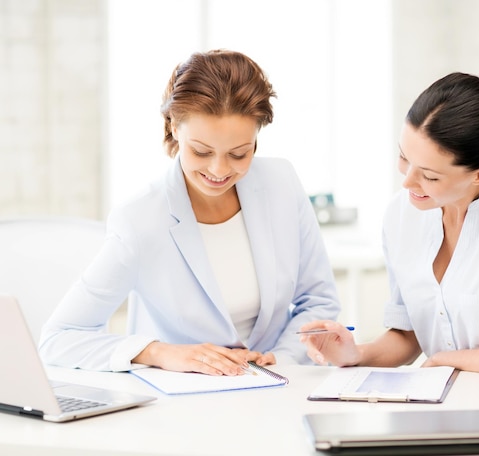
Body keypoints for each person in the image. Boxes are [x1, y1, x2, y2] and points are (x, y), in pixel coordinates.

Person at [300, 72, 479, 455]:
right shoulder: (401, 215)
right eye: (404, 158)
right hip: (446, 429)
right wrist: (356, 354)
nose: (407, 182)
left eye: (430, 175)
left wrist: (444, 361)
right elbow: (409, 335)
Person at [39, 49, 340, 376]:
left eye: (239, 154)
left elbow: (318, 300)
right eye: (201, 151)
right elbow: (59, 338)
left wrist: (283, 358)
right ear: (173, 127)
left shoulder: (281, 183)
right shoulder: (140, 219)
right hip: (178, 407)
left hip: (276, 393)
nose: (219, 170)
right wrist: (158, 353)